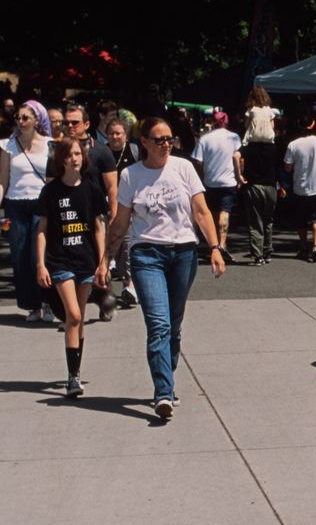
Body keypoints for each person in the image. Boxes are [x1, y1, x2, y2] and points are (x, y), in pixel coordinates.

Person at [103, 117, 226, 421]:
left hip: (183, 252)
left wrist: (214, 248)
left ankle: (166, 381)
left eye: (169, 139)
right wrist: (105, 259)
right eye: (159, 139)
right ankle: (163, 393)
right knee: (159, 324)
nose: (166, 144)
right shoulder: (131, 175)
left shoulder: (183, 168)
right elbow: (120, 222)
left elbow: (200, 210)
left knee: (174, 325)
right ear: (143, 141)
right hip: (146, 254)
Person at [35, 138, 107, 397]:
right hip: (59, 260)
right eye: (69, 154)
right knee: (73, 315)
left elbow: (98, 227)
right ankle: (72, 378)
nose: (75, 158)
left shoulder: (91, 189)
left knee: (79, 320)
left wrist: (103, 262)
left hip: (86, 261)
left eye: (78, 153)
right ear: (61, 159)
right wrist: (41, 264)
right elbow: (42, 230)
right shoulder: (51, 191)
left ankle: (75, 372)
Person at [63, 102, 118, 321]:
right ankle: (73, 311)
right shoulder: (59, 151)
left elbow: (112, 186)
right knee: (70, 261)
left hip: (95, 214)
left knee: (98, 260)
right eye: (66, 122)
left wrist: (114, 214)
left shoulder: (101, 151)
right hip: (67, 214)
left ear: (86, 124)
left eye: (74, 122)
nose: (70, 126)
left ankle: (105, 297)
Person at [0, 100, 54, 321]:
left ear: (37, 120)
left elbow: (53, 179)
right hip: (15, 204)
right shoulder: (7, 145)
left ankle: (47, 302)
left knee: (39, 256)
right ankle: (32, 305)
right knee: (20, 256)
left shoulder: (51, 144)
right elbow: (3, 179)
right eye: (18, 118)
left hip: (41, 204)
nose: (21, 122)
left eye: (25, 118)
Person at [191, 109, 241, 263]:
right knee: (225, 211)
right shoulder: (234, 137)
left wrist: (202, 175)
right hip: (229, 181)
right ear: (226, 122)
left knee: (211, 212)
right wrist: (239, 176)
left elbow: (197, 161)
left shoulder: (205, 139)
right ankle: (222, 243)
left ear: (213, 121)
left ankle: (212, 243)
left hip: (210, 181)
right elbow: (238, 157)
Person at [283, 114, 316, 261]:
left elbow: (287, 167)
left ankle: (303, 247)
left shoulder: (293, 144)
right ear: (313, 124)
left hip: (299, 187)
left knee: (301, 220)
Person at [104, 115, 140, 307]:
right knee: (111, 246)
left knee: (125, 244)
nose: (115, 137)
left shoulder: (134, 151)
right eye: (111, 133)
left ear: (125, 135)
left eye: (118, 133)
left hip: (129, 205)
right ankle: (109, 284)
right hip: (106, 205)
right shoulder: (103, 153)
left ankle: (130, 285)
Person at [235, 129, 278, 266]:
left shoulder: (249, 147)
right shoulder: (273, 147)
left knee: (255, 221)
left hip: (254, 186)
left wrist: (239, 176)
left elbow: (235, 156)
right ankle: (267, 251)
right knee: (268, 219)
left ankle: (258, 255)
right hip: (270, 186)